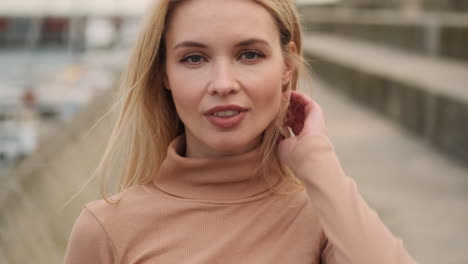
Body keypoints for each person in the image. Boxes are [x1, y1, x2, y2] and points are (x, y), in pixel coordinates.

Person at [64, 0, 417, 263]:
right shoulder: (107, 229)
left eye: (249, 55)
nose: (223, 84)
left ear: (286, 65)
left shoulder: (324, 217)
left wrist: (317, 160)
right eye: (194, 58)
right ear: (164, 75)